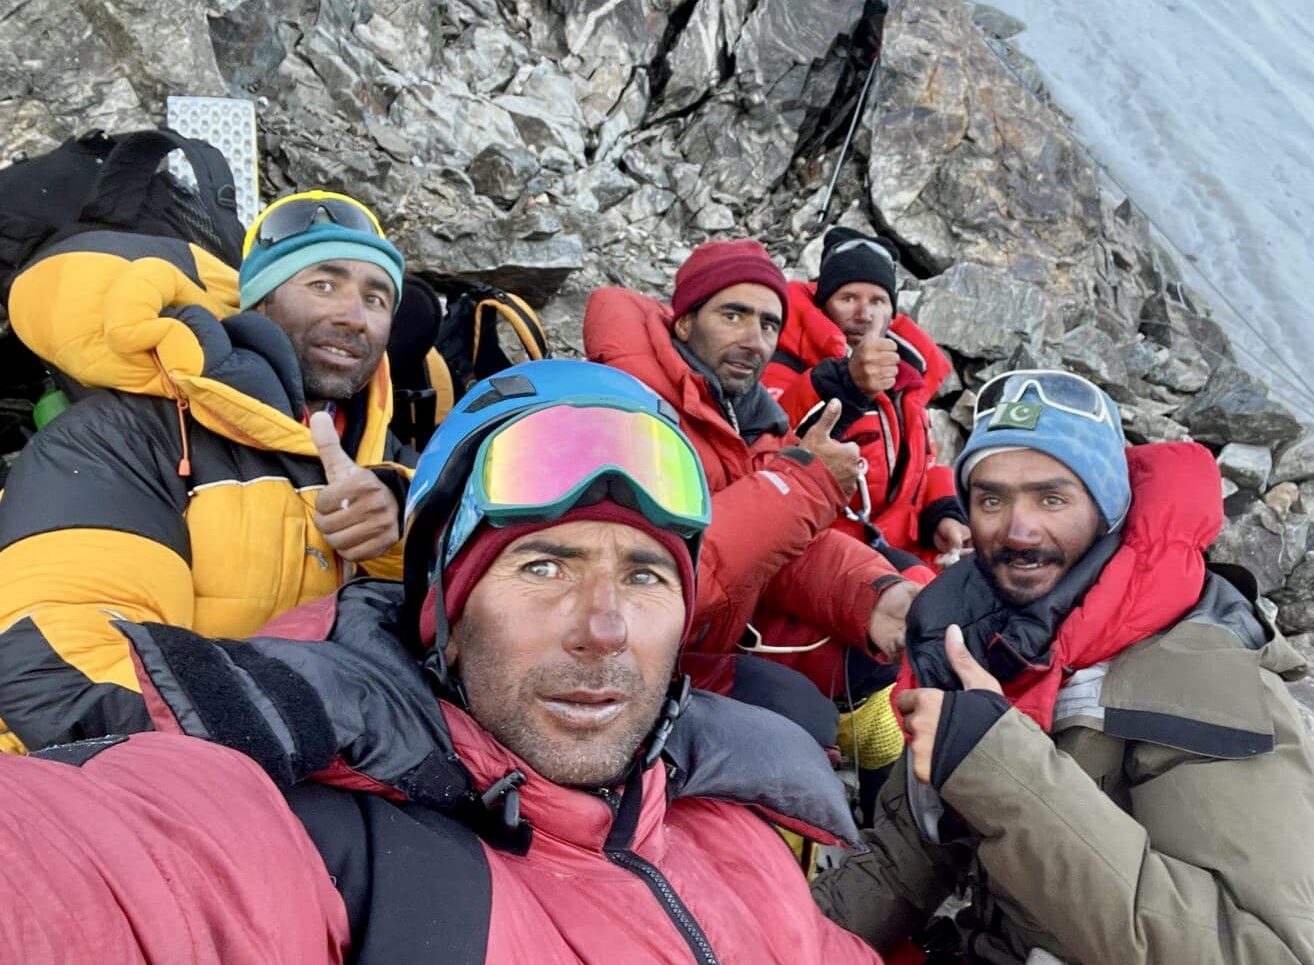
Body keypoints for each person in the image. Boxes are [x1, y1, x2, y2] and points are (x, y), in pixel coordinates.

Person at [0, 360, 885, 964]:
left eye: (647, 573)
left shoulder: (731, 831)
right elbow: (103, 874)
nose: (604, 628)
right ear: (443, 613)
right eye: (544, 565)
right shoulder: (339, 850)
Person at [811, 369, 1314, 965]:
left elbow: (1269, 951)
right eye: (991, 498)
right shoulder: (978, 637)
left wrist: (1000, 770)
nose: (1019, 530)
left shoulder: (1207, 677)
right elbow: (907, 855)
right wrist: (781, 941)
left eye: (1052, 497)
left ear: (1108, 510)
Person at [0, 190, 415, 754]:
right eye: (323, 284)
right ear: (258, 307)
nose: (353, 315)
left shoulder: (390, 459)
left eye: (378, 298)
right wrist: (286, 746)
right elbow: (59, 664)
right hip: (156, 782)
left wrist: (399, 527)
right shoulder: (121, 436)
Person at [583, 239, 923, 702]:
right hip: (617, 663)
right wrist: (805, 484)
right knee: (798, 714)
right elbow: (654, 577)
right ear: (683, 321)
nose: (753, 339)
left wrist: (875, 597)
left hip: (710, 635)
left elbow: (785, 551)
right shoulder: (625, 408)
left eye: (768, 324)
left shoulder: (748, 417)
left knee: (868, 665)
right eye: (733, 315)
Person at [762, 227, 969, 575]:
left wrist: (944, 513)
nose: (864, 314)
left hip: (896, 543)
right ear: (823, 304)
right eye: (848, 298)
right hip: (820, 552)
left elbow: (924, 465)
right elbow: (770, 447)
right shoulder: (782, 362)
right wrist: (846, 383)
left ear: (891, 311)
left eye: (877, 301)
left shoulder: (906, 378)